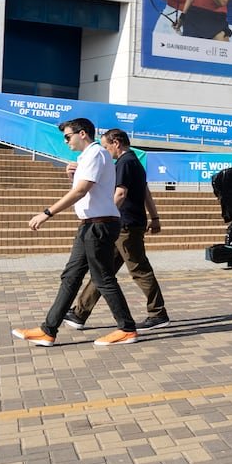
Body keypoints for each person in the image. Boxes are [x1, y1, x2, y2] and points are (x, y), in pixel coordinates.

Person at [13, 118, 138, 347]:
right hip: (90, 224)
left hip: (99, 225)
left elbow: (81, 191)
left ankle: (127, 328)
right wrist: (75, 176)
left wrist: (47, 213)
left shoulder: (96, 154)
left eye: (67, 136)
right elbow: (89, 189)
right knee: (70, 277)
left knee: (102, 278)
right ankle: (48, 330)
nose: (65, 141)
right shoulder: (88, 157)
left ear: (82, 134)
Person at [64, 129, 172, 333]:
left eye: (106, 146)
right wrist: (154, 217)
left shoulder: (124, 163)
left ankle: (158, 313)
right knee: (103, 271)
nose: (105, 151)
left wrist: (106, 216)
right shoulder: (135, 163)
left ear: (116, 143)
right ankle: (79, 313)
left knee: (139, 269)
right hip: (127, 224)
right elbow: (146, 192)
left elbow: (120, 193)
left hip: (125, 226)